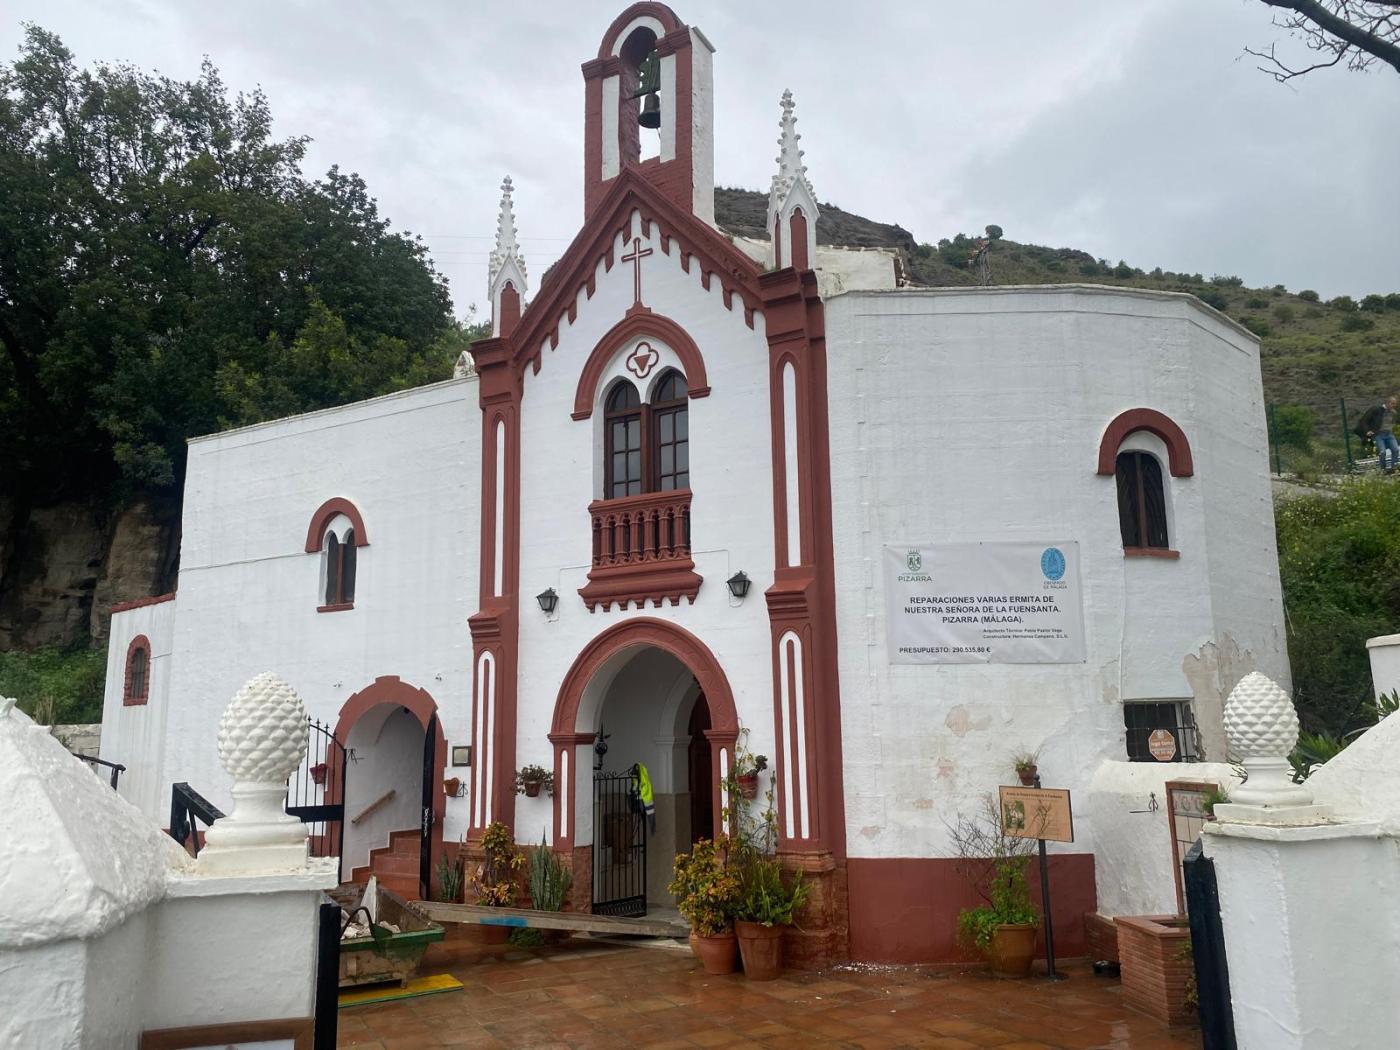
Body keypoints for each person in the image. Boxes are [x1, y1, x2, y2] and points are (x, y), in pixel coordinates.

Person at [1355, 395, 1398, 474]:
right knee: (1383, 452)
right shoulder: (1377, 410)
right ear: (1388, 403)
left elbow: (1392, 422)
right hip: (1379, 434)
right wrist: (1367, 431)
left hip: (1389, 434)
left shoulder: (1393, 413)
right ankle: (1383, 469)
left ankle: (1393, 468)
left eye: (1395, 404)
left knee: (1395, 449)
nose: (1394, 406)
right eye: (1393, 404)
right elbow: (1364, 421)